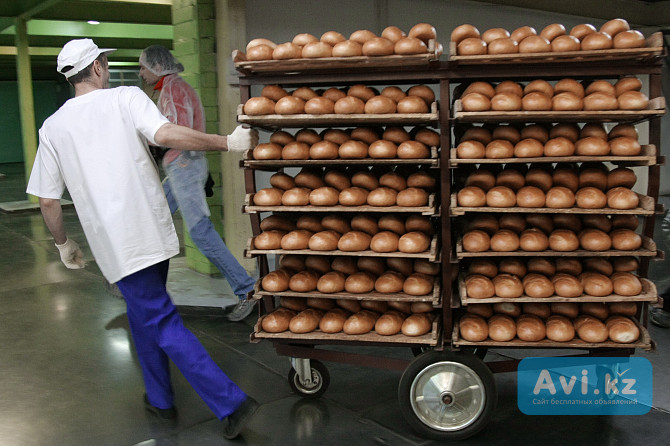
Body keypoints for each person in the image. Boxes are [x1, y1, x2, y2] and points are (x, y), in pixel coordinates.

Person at [26, 38, 259, 439]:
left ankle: (230, 402)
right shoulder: (126, 98)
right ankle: (160, 399)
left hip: (117, 246)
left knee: (159, 318)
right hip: (151, 231)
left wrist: (65, 245)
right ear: (97, 67)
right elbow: (165, 133)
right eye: (106, 62)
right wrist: (226, 142)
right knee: (144, 313)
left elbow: (48, 201)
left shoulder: (52, 127)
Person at [138, 45, 257, 322]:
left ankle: (246, 289)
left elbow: (175, 133)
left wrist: (148, 140)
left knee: (200, 232)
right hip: (182, 166)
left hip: (183, 165)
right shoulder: (172, 88)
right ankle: (135, 281)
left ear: (157, 67)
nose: (140, 73)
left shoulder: (173, 89)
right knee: (155, 216)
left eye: (143, 67)